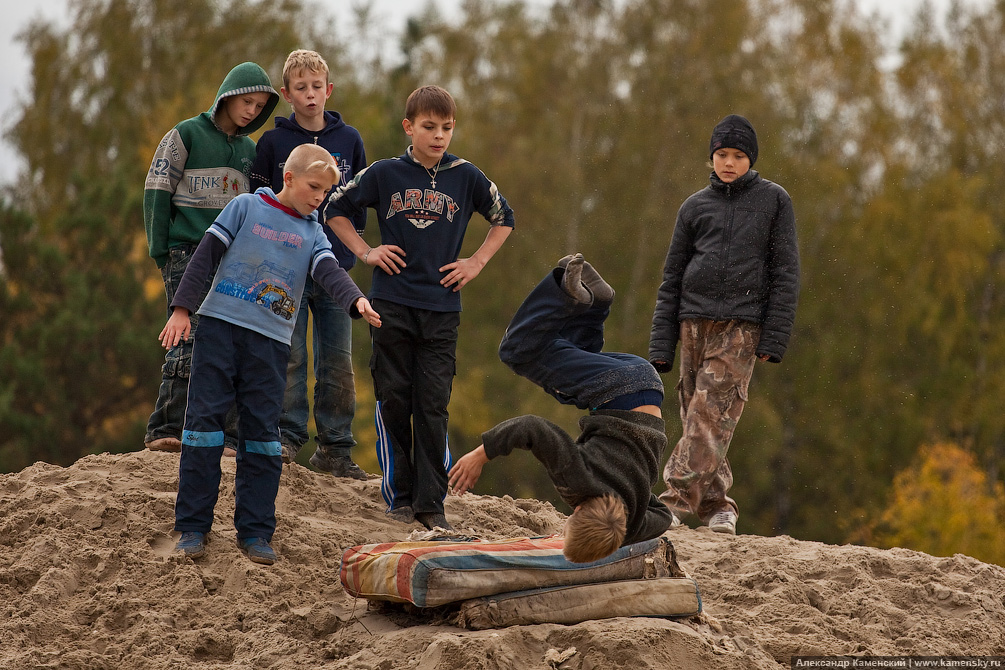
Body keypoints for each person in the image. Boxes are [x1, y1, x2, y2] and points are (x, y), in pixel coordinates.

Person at [161, 144, 382, 565]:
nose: (319, 197)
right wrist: (181, 309)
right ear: (289, 179)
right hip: (219, 329)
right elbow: (205, 256)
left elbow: (329, 272)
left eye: (325, 192)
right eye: (313, 188)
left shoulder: (314, 232)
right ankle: (192, 527)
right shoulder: (245, 207)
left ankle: (256, 532)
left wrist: (356, 302)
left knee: (263, 436)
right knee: (203, 427)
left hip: (270, 343)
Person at [326, 85, 515, 531]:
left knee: (433, 404)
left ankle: (432, 505)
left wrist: (476, 261)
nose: (439, 136)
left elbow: (505, 218)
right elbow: (335, 208)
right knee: (395, 397)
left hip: (442, 308)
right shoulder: (385, 173)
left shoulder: (466, 176)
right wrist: (366, 251)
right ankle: (400, 494)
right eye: (429, 127)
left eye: (447, 128)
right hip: (390, 304)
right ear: (409, 127)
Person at [447, 254, 675, 563]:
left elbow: (662, 515)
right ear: (578, 510)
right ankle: (564, 294)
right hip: (617, 391)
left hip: (644, 386)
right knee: (517, 351)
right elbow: (533, 428)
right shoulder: (579, 482)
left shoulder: (633, 523)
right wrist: (481, 455)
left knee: (567, 368)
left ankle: (595, 304)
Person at [648, 114, 800, 535]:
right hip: (691, 321)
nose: (728, 163)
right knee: (699, 416)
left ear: (751, 159)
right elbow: (672, 277)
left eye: (737, 156)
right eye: (721, 154)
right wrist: (662, 343)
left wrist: (775, 335)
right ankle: (718, 507)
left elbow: (786, 272)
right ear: (711, 157)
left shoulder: (774, 202)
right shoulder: (694, 207)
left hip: (742, 325)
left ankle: (672, 502)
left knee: (709, 415)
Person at [143, 62, 280, 456]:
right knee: (188, 337)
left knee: (234, 343)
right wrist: (161, 252)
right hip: (186, 252)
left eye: (259, 106)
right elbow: (156, 192)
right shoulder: (185, 134)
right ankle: (166, 426)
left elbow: (258, 210)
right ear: (227, 94)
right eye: (246, 100)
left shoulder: (251, 152)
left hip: (233, 259)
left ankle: (226, 435)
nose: (252, 111)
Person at [249, 49, 369, 478]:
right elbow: (259, 202)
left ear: (329, 89)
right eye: (301, 88)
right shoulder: (273, 143)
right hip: (286, 271)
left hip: (334, 268)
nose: (311, 94)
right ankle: (287, 439)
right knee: (291, 356)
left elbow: (358, 202)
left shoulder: (349, 140)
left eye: (317, 86)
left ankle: (335, 448)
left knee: (337, 360)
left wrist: (353, 248)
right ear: (287, 94)